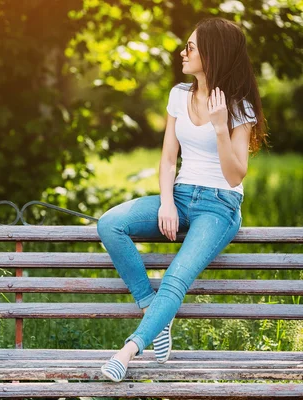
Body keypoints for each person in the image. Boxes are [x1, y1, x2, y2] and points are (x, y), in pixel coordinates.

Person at [97, 18, 268, 382]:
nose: (183, 52)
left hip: (220, 206)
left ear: (213, 53)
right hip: (180, 195)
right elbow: (166, 158)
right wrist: (166, 202)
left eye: (190, 47)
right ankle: (152, 311)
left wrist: (221, 127)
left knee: (175, 277)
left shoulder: (240, 106)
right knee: (110, 223)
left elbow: (236, 174)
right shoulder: (179, 95)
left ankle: (128, 351)